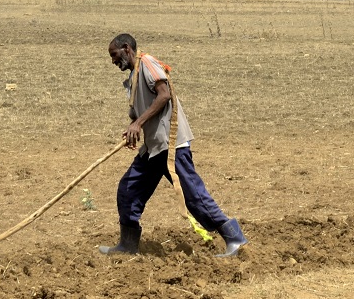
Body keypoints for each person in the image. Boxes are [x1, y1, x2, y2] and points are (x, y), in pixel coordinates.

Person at [97, 32, 247, 257]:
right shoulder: (134, 75)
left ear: (127, 48)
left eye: (114, 55)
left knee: (193, 196)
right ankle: (128, 245)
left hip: (171, 145)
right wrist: (134, 127)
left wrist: (138, 123)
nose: (113, 61)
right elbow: (142, 109)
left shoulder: (147, 63)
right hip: (152, 147)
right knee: (128, 190)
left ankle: (234, 238)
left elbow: (164, 95)